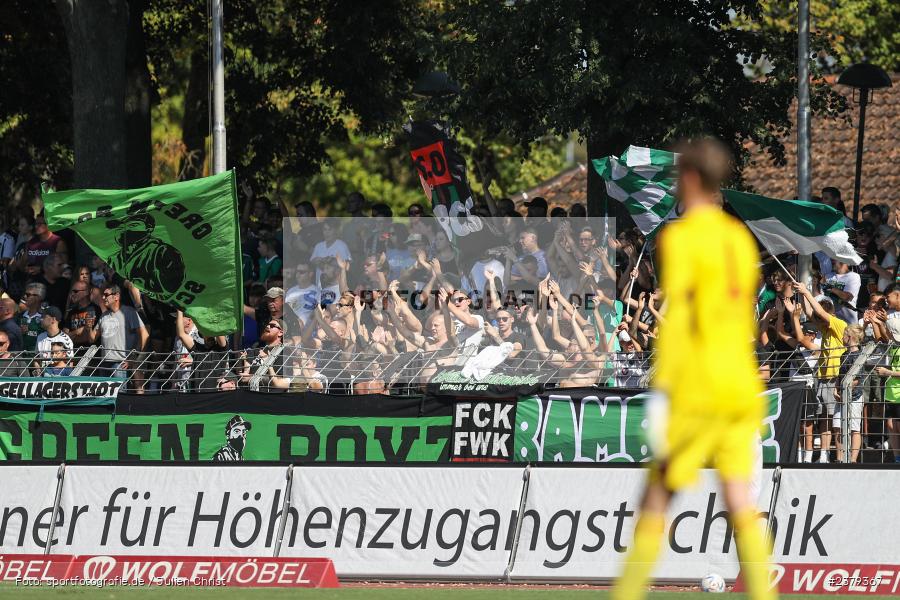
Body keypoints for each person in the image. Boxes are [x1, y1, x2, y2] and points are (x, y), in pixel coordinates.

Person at [612, 139, 774, 600]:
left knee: (658, 494)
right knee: (741, 501)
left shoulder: (680, 236)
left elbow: (690, 307)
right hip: (738, 383)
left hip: (695, 385)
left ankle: (625, 594)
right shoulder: (740, 241)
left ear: (688, 178)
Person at [95, 284, 149, 380]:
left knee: (120, 394)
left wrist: (134, 356)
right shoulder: (104, 316)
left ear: (116, 296)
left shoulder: (129, 312)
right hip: (103, 362)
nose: (103, 297)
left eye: (106, 295)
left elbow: (144, 334)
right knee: (103, 395)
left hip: (120, 363)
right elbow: (92, 338)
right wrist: (88, 326)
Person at [63, 280, 100, 348]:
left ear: (86, 292)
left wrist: (72, 336)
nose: (72, 294)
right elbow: (64, 336)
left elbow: (90, 337)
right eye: (71, 291)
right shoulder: (71, 311)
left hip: (90, 354)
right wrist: (77, 331)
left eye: (75, 291)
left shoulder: (96, 310)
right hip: (74, 353)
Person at [17, 282, 45, 352]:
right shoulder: (19, 316)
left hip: (37, 358)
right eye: (25, 294)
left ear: (38, 298)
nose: (25, 297)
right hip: (20, 358)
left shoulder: (46, 317)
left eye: (28, 295)